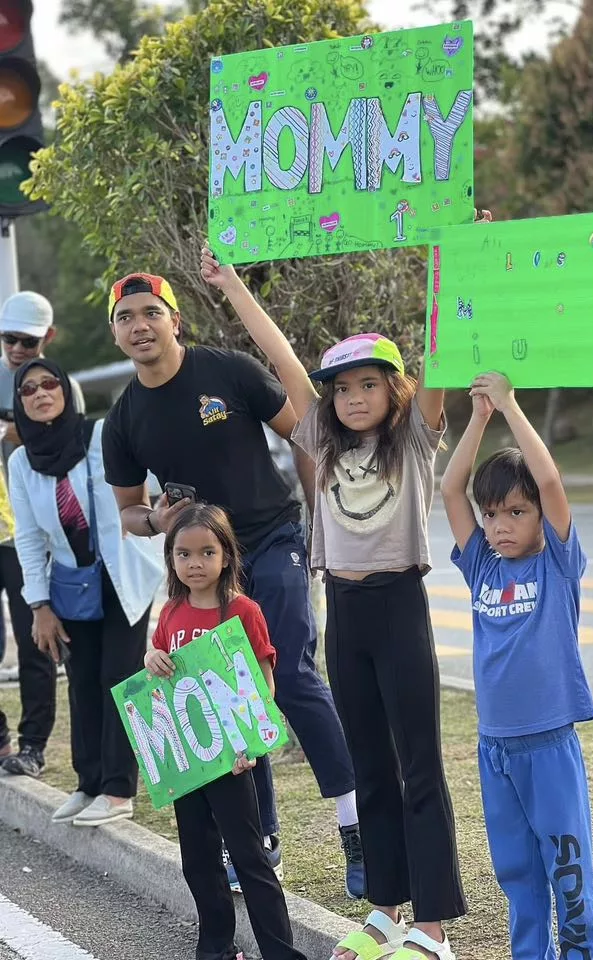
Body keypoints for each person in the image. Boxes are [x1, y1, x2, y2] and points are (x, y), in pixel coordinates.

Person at [200, 246, 467, 960]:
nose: (351, 398)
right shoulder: (320, 435)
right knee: (370, 764)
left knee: (419, 765)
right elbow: (278, 351)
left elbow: (439, 360)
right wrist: (229, 285)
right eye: (340, 388)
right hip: (344, 612)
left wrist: (453, 265)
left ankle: (433, 928)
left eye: (366, 385)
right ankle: (385, 911)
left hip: (399, 606)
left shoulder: (413, 441)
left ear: (393, 390)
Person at [100, 273, 362, 897]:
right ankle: (261, 841)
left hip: (272, 540)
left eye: (150, 313)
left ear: (174, 320)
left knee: (293, 676)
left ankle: (358, 825)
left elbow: (302, 433)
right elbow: (129, 513)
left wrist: (320, 518)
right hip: (202, 567)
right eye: (125, 318)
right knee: (226, 696)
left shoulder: (229, 371)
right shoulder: (124, 419)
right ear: (116, 332)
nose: (139, 326)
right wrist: (157, 520)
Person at [440, 372, 593, 960]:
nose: (500, 525)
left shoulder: (557, 564)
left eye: (515, 511)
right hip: (495, 746)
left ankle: (580, 953)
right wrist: (477, 418)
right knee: (517, 870)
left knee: (567, 863)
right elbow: (451, 490)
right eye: (492, 514)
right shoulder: (482, 565)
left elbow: (551, 479)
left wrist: (508, 405)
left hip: (548, 743)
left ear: (539, 517)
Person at [146, 502, 308, 960]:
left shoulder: (243, 610)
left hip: (233, 760)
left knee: (249, 859)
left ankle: (280, 951)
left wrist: (250, 744)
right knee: (197, 861)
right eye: (183, 554)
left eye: (206, 552)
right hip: (187, 760)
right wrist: (149, 659)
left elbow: (264, 681)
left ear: (226, 555)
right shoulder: (172, 611)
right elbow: (159, 668)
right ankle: (215, 947)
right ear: (171, 558)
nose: (195, 563)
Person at [7, 358, 163, 825]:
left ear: (66, 389)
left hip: (122, 574)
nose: (40, 393)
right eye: (28, 389)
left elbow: (143, 489)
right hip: (71, 585)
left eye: (49, 383)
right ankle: (88, 782)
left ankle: (118, 790)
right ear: (20, 403)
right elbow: (31, 540)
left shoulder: (99, 435)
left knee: (120, 678)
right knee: (82, 683)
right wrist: (39, 604)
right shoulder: (21, 462)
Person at [0, 291, 86, 778]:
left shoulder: (59, 385)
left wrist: (19, 435)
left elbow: (70, 447)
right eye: (8, 339)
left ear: (47, 338)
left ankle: (32, 746)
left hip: (30, 532)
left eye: (27, 342)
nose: (16, 349)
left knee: (39, 637)